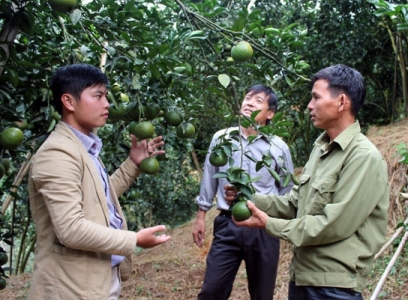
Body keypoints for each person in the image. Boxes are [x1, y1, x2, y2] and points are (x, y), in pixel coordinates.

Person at [225, 65, 389, 300]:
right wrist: (250, 198)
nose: (309, 106)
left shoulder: (363, 157)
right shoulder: (321, 148)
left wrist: (269, 224)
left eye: (315, 97)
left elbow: (332, 224)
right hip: (303, 278)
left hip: (335, 288)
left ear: (342, 102)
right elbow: (295, 203)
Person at [27, 63, 171, 300]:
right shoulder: (57, 154)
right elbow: (71, 229)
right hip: (69, 288)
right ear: (69, 102)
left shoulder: (83, 148)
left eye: (106, 96)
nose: (107, 104)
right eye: (98, 96)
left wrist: (132, 164)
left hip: (95, 280)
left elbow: (96, 199)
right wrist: (133, 240)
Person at [192, 84, 295, 300]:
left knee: (262, 294)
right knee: (212, 291)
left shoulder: (278, 148)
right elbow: (210, 176)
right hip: (227, 224)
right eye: (247, 98)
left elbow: (287, 193)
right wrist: (201, 216)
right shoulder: (221, 138)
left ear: (270, 114)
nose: (249, 102)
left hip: (263, 227)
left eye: (258, 100)